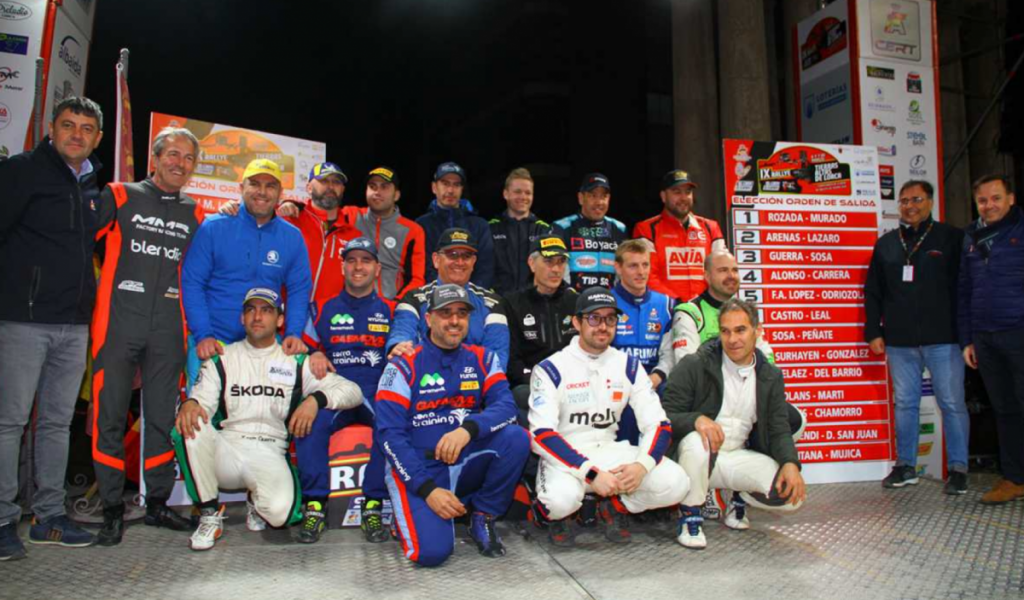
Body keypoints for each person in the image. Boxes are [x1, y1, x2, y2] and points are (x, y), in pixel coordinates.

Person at [0, 96, 110, 558]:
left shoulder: (91, 186)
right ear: (51, 128)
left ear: (97, 138)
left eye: (86, 128)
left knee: (57, 424)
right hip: (23, 319)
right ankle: (2, 520)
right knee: (9, 422)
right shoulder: (22, 170)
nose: (76, 135)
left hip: (73, 323)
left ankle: (48, 517)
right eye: (68, 125)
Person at [173, 288, 364, 551]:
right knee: (189, 425)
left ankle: (257, 501)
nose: (257, 317)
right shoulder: (223, 358)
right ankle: (208, 514)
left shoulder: (296, 361)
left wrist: (315, 400)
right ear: (242, 318)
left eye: (266, 310)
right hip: (227, 450)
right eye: (251, 310)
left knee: (280, 516)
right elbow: (201, 400)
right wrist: (191, 403)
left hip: (270, 450)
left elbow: (353, 392)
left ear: (280, 320)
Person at [91, 127, 205, 546]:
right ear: (155, 159)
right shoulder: (120, 195)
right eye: (172, 154)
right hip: (118, 323)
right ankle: (111, 507)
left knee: (161, 417)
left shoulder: (195, 213)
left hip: (167, 330)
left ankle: (157, 503)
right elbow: (80, 242)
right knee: (109, 414)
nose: (180, 163)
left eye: (188, 158)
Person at [375, 284, 530, 566]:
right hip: (419, 468)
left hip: (464, 457)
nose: (455, 321)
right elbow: (389, 436)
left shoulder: (484, 358)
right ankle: (412, 508)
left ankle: (482, 515)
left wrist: (467, 429)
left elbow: (506, 407)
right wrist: (427, 489)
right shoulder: (402, 365)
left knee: (516, 438)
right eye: (445, 313)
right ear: (428, 318)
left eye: (462, 313)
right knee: (431, 554)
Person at [528, 287, 688, 547]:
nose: (603, 326)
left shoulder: (628, 365)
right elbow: (541, 435)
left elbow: (659, 424)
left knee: (677, 483)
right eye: (594, 318)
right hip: (565, 458)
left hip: (610, 450)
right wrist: (591, 474)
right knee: (559, 502)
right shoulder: (551, 368)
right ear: (577, 322)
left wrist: (642, 466)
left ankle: (615, 506)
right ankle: (554, 514)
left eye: (610, 319)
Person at [664, 299, 806, 550]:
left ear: (757, 331)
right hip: (695, 459)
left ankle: (739, 496)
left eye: (740, 330)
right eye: (725, 331)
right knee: (698, 441)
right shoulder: (695, 364)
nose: (732, 339)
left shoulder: (770, 375)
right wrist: (695, 419)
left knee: (789, 496)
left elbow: (778, 427)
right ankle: (690, 515)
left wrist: (790, 463)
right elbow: (664, 416)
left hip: (737, 456)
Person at [864, 180, 969, 495]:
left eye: (917, 199)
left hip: (944, 338)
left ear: (931, 202)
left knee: (951, 403)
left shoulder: (951, 237)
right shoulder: (886, 244)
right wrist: (874, 331)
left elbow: (966, 287)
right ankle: (905, 466)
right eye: (905, 201)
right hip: (899, 341)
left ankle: (959, 469)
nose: (910, 206)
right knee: (905, 404)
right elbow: (873, 291)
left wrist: (967, 334)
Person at [297, 237, 392, 543]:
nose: (358, 267)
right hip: (335, 390)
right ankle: (314, 504)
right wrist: (314, 353)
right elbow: (302, 347)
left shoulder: (393, 310)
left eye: (365, 260)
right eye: (351, 260)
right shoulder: (320, 307)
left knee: (390, 427)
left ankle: (373, 505)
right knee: (308, 424)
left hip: (376, 392)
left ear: (377, 268)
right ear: (342, 267)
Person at [181, 158, 312, 369]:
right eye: (255, 184)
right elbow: (192, 282)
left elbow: (299, 289)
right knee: (202, 393)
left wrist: (294, 333)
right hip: (213, 343)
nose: (262, 192)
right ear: (241, 188)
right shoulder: (214, 227)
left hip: (265, 348)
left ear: (280, 193)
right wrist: (203, 334)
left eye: (270, 186)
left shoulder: (292, 236)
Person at [959, 174, 1024, 504]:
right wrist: (967, 340)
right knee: (1005, 409)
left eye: (996, 198)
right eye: (983, 200)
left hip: (1018, 331)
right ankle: (1014, 478)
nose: (989, 205)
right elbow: (964, 289)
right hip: (985, 337)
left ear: (1011, 198)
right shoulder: (971, 236)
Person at [387, 228, 509, 369]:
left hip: (473, 381)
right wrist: (398, 345)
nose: (460, 262)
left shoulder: (492, 303)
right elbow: (402, 334)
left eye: (466, 256)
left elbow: (496, 361)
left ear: (473, 262)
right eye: (452, 255)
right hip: (424, 378)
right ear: (436, 260)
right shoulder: (414, 299)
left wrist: (459, 377)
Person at [503, 235, 578, 424]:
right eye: (548, 261)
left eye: (561, 262)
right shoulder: (512, 303)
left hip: (573, 383)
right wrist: (542, 382)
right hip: (531, 383)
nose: (556, 269)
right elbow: (512, 361)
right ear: (532, 263)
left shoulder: (576, 302)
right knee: (521, 395)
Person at [633, 170, 725, 302]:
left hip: (705, 307)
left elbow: (721, 270)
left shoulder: (711, 228)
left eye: (688, 192)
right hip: (664, 307)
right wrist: (676, 303)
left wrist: (705, 302)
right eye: (677, 192)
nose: (683, 198)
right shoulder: (646, 229)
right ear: (663, 196)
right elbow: (647, 275)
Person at [673, 250, 776, 363]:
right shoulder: (689, 312)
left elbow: (768, 359)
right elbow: (687, 366)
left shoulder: (747, 312)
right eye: (723, 270)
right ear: (707, 276)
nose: (731, 275)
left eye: (735, 270)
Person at [350, 166, 426, 301]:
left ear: (396, 195)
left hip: (392, 304)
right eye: (372, 187)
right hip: (352, 303)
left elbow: (416, 279)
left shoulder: (413, 231)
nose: (377, 192)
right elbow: (320, 212)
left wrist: (396, 304)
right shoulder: (351, 216)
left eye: (384, 187)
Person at [416, 162, 495, 289]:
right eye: (445, 184)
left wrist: (468, 294)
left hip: (472, 296)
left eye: (456, 185)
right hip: (434, 295)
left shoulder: (480, 225)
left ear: (462, 189)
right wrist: (444, 293)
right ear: (434, 187)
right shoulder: (421, 225)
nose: (450, 190)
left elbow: (485, 268)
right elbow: (422, 268)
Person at [609, 239, 675, 390]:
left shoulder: (666, 304)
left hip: (655, 384)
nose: (641, 272)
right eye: (633, 266)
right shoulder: (605, 303)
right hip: (615, 384)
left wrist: (656, 377)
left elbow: (669, 353)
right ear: (618, 268)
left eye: (645, 265)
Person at [552, 173, 628, 291]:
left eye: (604, 196)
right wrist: (570, 297)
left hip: (609, 300)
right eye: (593, 196)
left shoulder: (619, 229)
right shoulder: (562, 227)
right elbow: (554, 269)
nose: (599, 202)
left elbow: (624, 271)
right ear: (581, 198)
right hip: (573, 300)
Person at [489, 168, 552, 295]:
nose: (523, 197)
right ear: (506, 194)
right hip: (498, 300)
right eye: (517, 192)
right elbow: (483, 268)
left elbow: (551, 268)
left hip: (533, 301)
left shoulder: (544, 230)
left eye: (528, 193)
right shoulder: (490, 228)